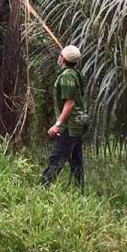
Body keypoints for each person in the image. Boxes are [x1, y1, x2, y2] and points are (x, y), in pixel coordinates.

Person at [40, 45, 87, 187]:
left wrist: (58, 124)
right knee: (75, 158)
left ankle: (43, 188)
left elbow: (70, 103)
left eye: (60, 55)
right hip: (77, 123)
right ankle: (79, 190)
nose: (58, 57)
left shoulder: (67, 76)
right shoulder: (73, 73)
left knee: (57, 157)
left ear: (64, 59)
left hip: (70, 124)